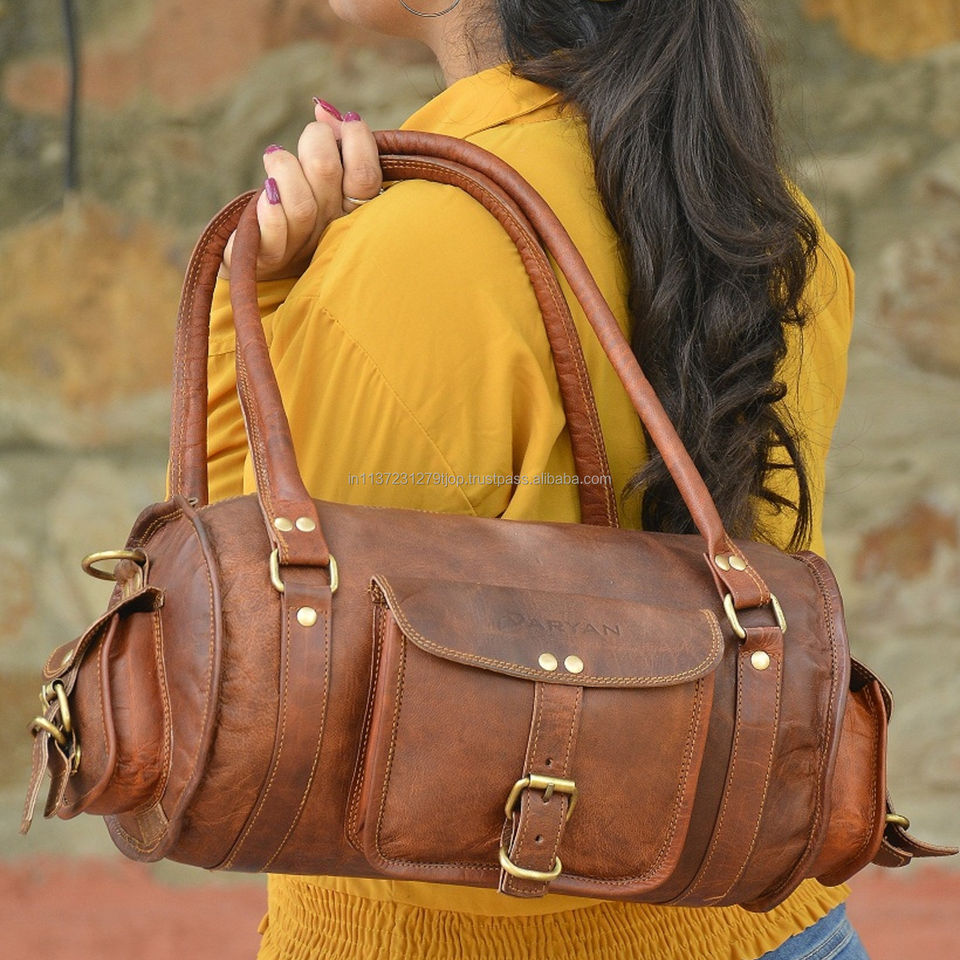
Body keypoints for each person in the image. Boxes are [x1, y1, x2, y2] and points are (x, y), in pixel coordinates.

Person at [207, 0, 868, 957]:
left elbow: (249, 655)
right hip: (770, 921)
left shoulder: (402, 256)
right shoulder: (768, 219)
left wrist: (261, 301)